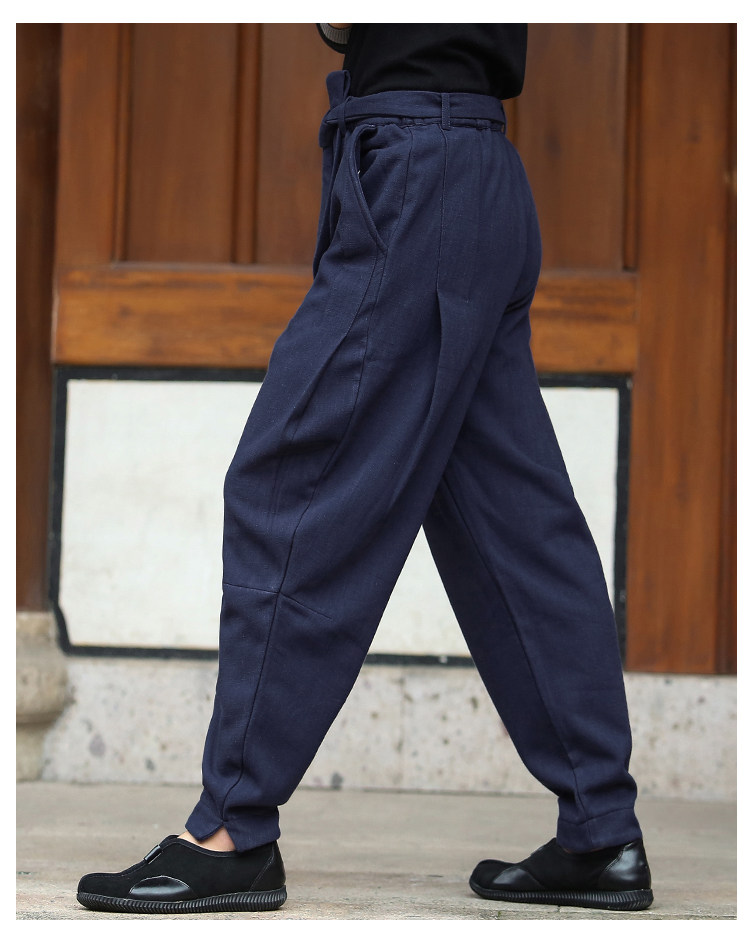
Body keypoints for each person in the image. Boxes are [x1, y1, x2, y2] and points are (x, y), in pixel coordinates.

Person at [76, 24, 653, 915]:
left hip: (417, 167)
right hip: (476, 164)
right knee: (511, 516)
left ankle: (231, 830)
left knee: (287, 482)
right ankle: (602, 828)